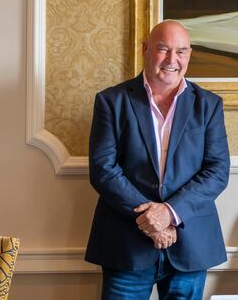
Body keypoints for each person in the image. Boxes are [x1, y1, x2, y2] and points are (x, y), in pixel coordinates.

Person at [85, 20, 230, 300]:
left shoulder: (209, 105)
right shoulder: (111, 101)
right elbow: (103, 169)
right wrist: (150, 219)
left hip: (190, 242)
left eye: (181, 51)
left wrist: (169, 213)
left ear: (189, 55)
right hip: (126, 243)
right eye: (163, 49)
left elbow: (217, 170)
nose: (172, 60)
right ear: (145, 50)